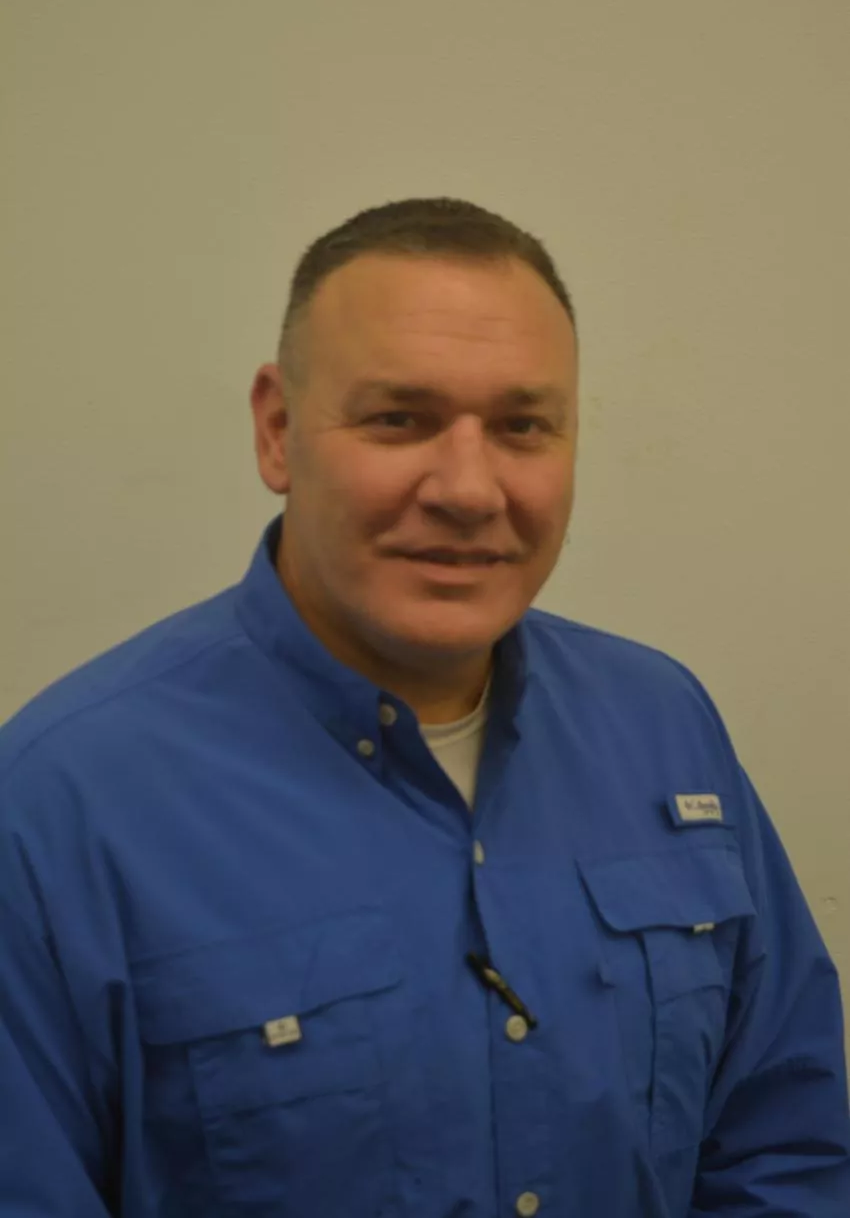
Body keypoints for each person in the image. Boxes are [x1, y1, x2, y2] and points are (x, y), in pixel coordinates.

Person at [0, 196, 848, 1218]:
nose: (468, 488)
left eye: (521, 426)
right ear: (277, 430)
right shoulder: (59, 806)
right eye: (399, 419)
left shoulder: (663, 726)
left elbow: (786, 1147)